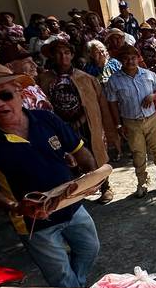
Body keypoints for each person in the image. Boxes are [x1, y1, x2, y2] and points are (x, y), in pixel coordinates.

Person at [0, 66, 100, 288]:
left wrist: (92, 177)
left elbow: (80, 150)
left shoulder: (46, 119)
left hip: (72, 206)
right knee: (62, 280)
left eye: (5, 95)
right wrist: (15, 206)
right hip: (34, 222)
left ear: (19, 93)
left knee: (89, 249)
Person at [37, 40, 115, 203]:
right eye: (58, 53)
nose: (62, 56)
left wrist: (82, 122)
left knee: (93, 154)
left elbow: (93, 105)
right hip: (59, 126)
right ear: (52, 56)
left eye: (66, 53)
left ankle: (105, 186)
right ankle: (72, 193)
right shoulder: (44, 79)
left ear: (72, 55)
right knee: (65, 158)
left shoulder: (85, 78)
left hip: (85, 124)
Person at [106, 45, 156, 197]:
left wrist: (152, 97)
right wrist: (118, 124)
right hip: (131, 122)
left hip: (152, 119)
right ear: (121, 60)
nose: (130, 61)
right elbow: (112, 104)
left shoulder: (148, 74)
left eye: (133, 57)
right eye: (126, 58)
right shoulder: (114, 80)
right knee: (138, 154)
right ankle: (142, 183)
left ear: (138, 58)